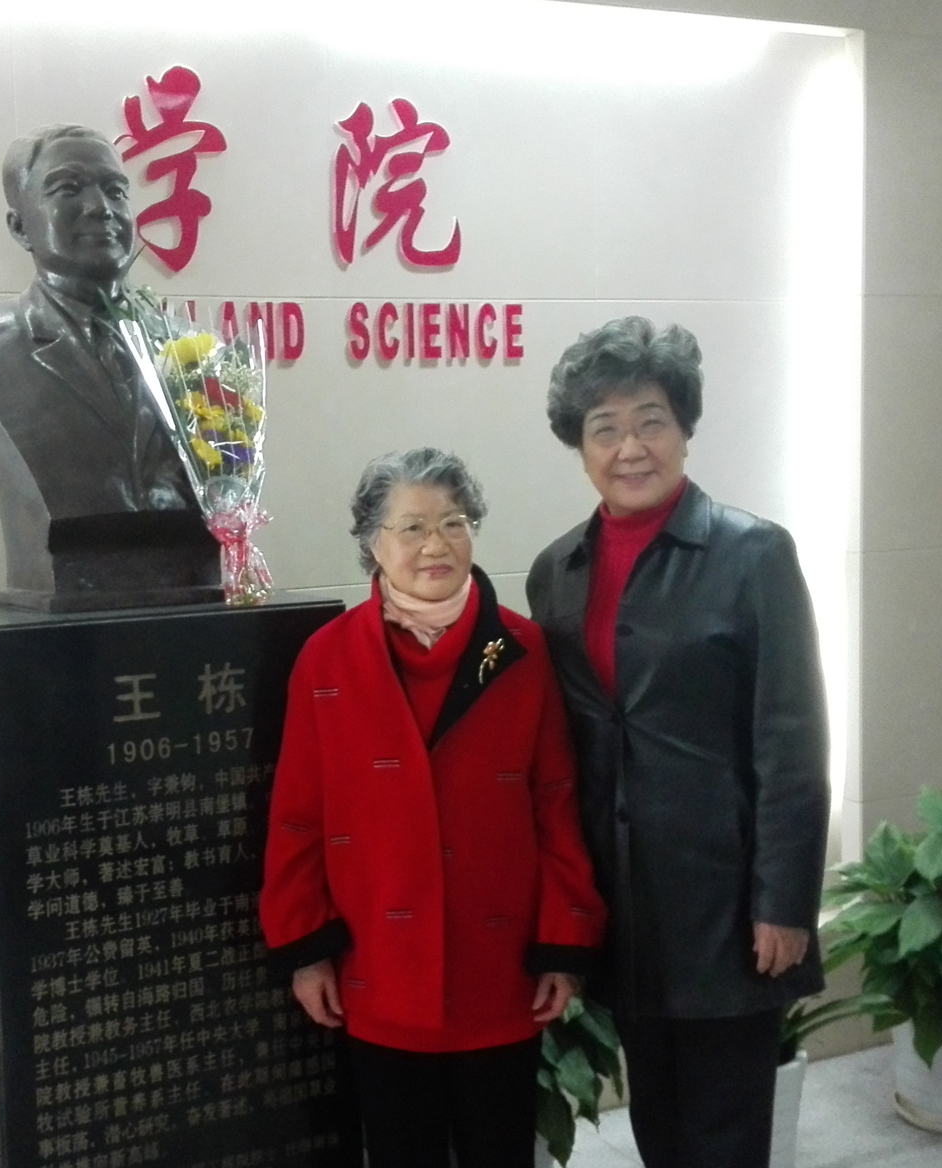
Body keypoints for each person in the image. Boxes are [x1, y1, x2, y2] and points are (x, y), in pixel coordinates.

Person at [525, 318, 830, 1168]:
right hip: (623, 902)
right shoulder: (557, 570)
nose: (630, 448)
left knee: (724, 1131)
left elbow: (793, 739)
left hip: (727, 903)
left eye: (651, 421)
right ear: (579, 447)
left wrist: (783, 901)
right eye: (605, 428)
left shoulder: (753, 554)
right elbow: (547, 725)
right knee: (657, 1121)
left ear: (685, 428)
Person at [261, 448, 608, 1168]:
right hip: (376, 968)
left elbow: (556, 803)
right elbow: (297, 817)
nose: (435, 545)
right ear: (372, 544)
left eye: (454, 523)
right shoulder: (327, 660)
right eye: (412, 527)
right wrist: (305, 950)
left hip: (500, 969)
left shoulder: (519, 650)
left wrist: (564, 941)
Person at [0, 124, 216, 608]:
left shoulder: (195, 350)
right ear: (20, 227)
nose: (101, 207)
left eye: (115, 190)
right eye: (68, 189)